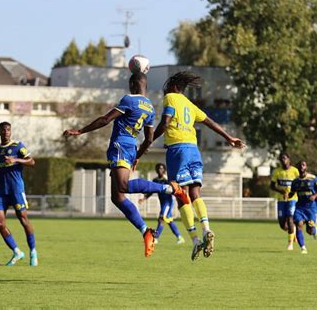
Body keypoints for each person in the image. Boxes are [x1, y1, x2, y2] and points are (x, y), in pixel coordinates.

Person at [62, 73, 189, 258]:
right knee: (117, 197)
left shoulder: (129, 100)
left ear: (132, 84)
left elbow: (105, 120)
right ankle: (146, 231)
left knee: (122, 187)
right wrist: (137, 156)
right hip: (131, 148)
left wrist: (80, 131)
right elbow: (150, 138)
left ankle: (170, 188)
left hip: (120, 145)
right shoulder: (150, 108)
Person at [135, 71, 246, 261]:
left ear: (173, 86)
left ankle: (195, 240)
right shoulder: (190, 104)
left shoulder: (170, 98)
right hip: (194, 150)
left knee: (180, 195)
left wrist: (150, 139)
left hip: (178, 150)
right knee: (195, 194)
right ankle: (207, 229)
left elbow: (165, 122)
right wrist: (229, 138)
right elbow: (209, 122)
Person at [0, 122, 38, 266]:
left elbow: (32, 161)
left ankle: (33, 251)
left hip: (16, 189)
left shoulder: (18, 146)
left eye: (8, 130)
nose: (6, 132)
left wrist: (15, 159)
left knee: (23, 219)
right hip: (1, 191)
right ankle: (17, 252)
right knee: (0, 223)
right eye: (4, 130)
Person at [139, 163, 185, 245]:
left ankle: (155, 238)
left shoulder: (167, 180)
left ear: (164, 170)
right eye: (159, 168)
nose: (160, 170)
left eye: (162, 168)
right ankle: (180, 237)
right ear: (156, 170)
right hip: (162, 203)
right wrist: (144, 198)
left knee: (161, 219)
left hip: (168, 202)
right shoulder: (155, 180)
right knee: (169, 221)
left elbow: (174, 190)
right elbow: (151, 191)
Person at [288, 160, 317, 254]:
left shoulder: (313, 178)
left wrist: (315, 196)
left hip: (311, 208)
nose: (301, 166)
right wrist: (288, 195)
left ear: (306, 167)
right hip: (300, 207)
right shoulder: (295, 181)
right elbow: (292, 192)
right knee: (299, 225)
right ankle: (303, 247)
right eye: (300, 165)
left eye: (303, 165)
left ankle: (314, 230)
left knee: (310, 231)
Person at [270, 153, 300, 250]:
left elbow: (300, 184)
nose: (283, 160)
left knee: (290, 218)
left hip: (292, 199)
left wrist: (293, 192)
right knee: (282, 223)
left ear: (289, 159)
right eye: (281, 159)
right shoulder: (277, 172)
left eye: (285, 158)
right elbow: (272, 186)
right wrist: (281, 191)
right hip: (281, 200)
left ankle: (290, 243)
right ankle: (293, 231)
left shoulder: (295, 171)